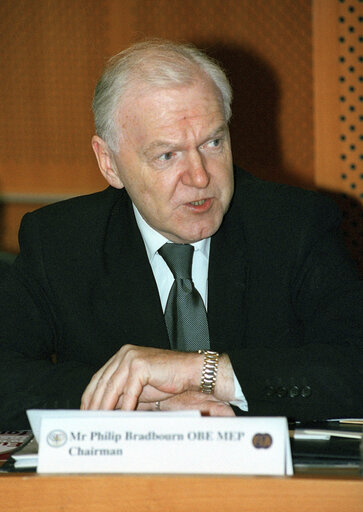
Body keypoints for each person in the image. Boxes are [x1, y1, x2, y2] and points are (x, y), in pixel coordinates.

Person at [0, 40, 361, 430]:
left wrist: (202, 373)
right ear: (110, 164)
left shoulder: (293, 224)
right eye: (167, 155)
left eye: (213, 142)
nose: (201, 177)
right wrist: (142, 403)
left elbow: (354, 363)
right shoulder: (60, 242)